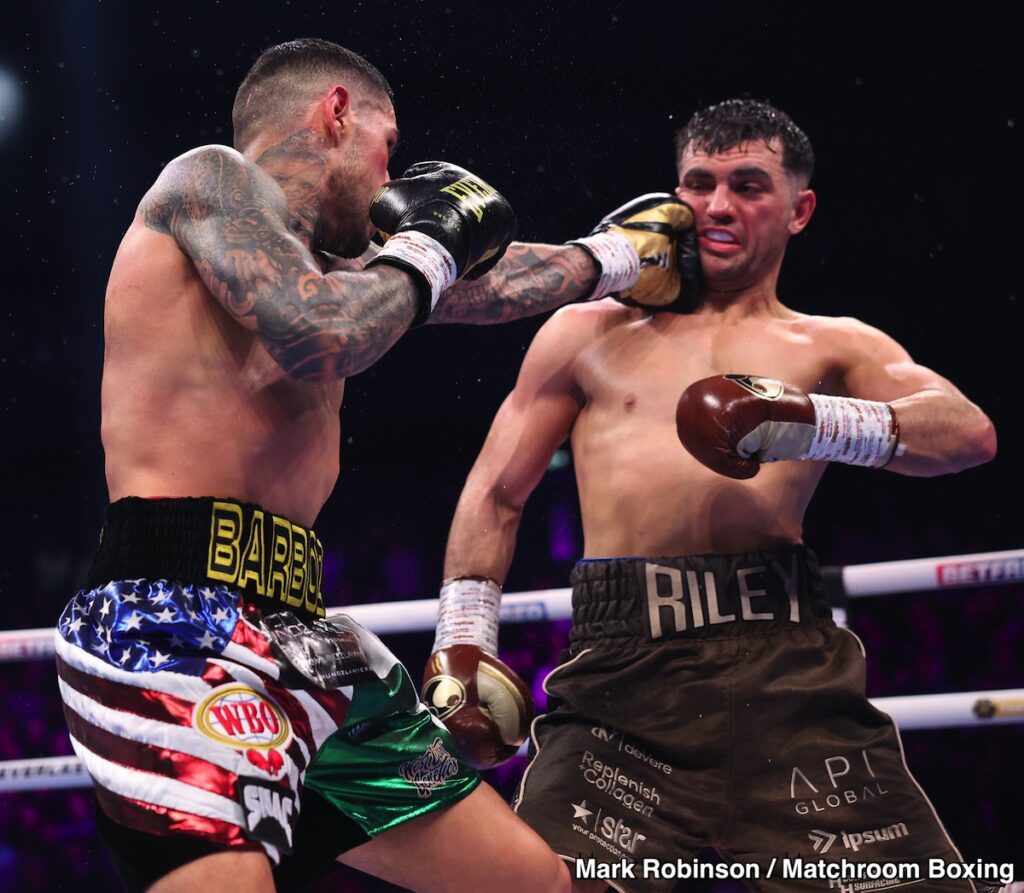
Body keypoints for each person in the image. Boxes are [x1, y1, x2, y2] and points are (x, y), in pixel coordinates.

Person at [53, 37, 696, 893]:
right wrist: (430, 245)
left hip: (311, 648)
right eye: (389, 146)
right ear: (337, 111)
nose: (394, 176)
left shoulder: (331, 268)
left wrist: (616, 257)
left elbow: (469, 288)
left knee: (533, 881)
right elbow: (323, 334)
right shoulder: (207, 181)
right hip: (172, 627)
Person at [433, 98, 1000, 892]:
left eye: (747, 184)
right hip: (619, 686)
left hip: (792, 681)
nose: (716, 206)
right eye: (698, 183)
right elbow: (496, 493)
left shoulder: (832, 343)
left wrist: (806, 419)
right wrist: (462, 639)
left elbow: (965, 433)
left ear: (799, 209)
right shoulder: (586, 332)